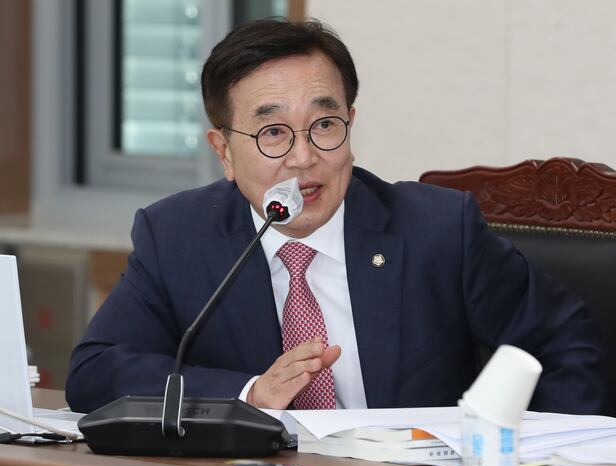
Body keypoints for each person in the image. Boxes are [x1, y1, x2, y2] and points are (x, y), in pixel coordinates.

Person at [65, 18, 604, 414]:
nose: (303, 157)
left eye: (324, 125)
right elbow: (95, 372)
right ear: (224, 152)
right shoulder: (177, 236)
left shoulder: (438, 230)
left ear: (350, 122)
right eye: (273, 132)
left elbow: (563, 342)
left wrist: (528, 463)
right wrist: (249, 394)